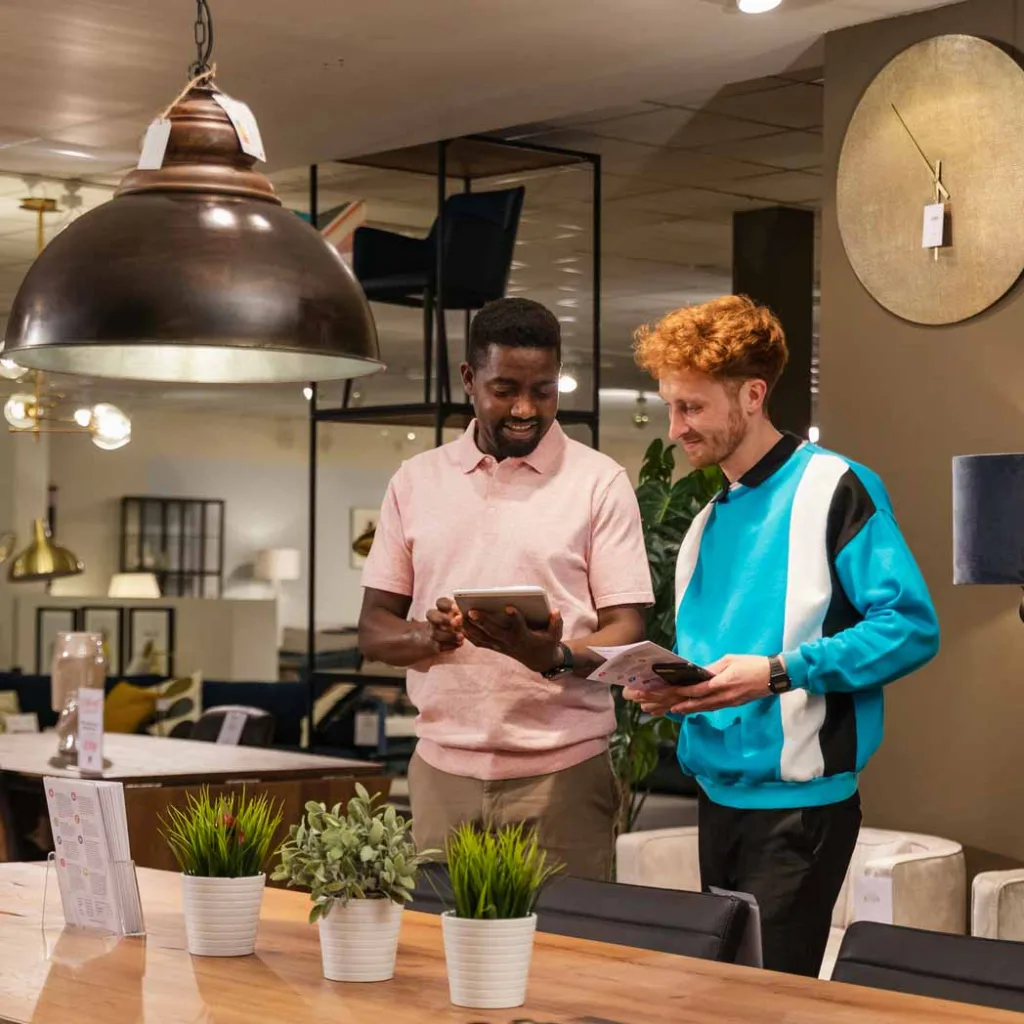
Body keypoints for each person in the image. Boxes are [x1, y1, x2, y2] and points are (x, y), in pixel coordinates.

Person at [625, 295, 939, 976]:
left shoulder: (836, 488)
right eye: (671, 406)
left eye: (692, 407)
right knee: (723, 999)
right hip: (715, 800)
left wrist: (776, 672)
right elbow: (713, 666)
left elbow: (911, 628)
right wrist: (673, 692)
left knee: (767, 1004)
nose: (675, 428)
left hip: (801, 811)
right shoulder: (707, 521)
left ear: (753, 395)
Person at [358, 297, 653, 879]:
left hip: (563, 775)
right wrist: (428, 635)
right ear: (469, 379)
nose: (525, 408)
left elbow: (629, 631)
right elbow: (373, 629)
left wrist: (554, 656)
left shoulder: (599, 483)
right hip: (442, 773)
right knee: (439, 961)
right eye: (505, 388)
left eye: (543, 390)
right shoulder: (416, 482)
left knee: (570, 961)